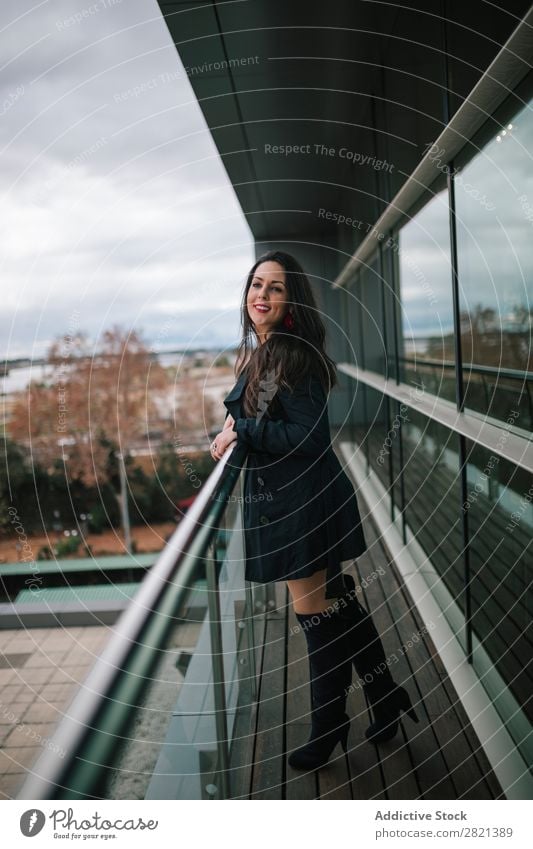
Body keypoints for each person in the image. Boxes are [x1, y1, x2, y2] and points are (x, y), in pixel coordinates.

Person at [209, 250, 419, 771]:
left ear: (290, 300)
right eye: (256, 284)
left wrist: (243, 430)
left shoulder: (290, 356)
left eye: (275, 288)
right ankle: (386, 694)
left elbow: (308, 436)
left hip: (302, 504)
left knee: (317, 618)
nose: (261, 295)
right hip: (292, 500)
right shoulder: (264, 351)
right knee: (334, 605)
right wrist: (237, 430)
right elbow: (264, 420)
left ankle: (329, 726)